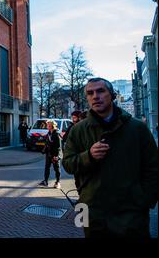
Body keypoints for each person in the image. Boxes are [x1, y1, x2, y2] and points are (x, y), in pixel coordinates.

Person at [63, 77, 158, 238]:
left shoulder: (137, 128)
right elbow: (67, 164)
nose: (95, 96)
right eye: (90, 93)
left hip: (131, 213)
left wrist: (144, 201)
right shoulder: (78, 130)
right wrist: (89, 156)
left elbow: (153, 167)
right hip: (91, 211)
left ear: (112, 95)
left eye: (101, 91)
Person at [38, 119, 61, 189]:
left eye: (48, 125)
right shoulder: (48, 133)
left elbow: (59, 146)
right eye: (47, 124)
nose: (47, 126)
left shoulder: (56, 134)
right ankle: (45, 181)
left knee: (56, 169)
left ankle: (58, 182)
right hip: (49, 154)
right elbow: (47, 143)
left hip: (55, 155)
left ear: (52, 126)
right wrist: (44, 150)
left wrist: (57, 156)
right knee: (47, 168)